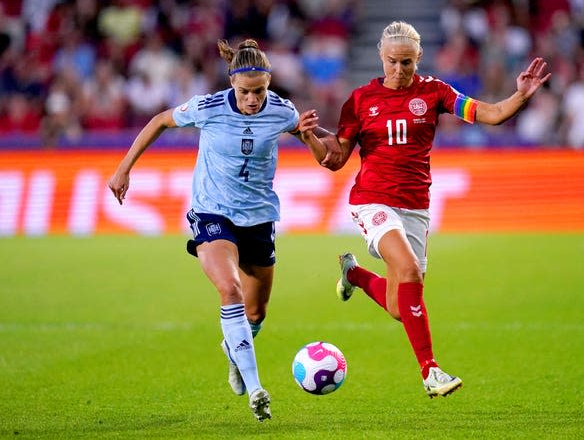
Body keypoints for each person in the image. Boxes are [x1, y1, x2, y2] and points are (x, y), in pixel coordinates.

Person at [108, 38, 337, 422]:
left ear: (269, 84)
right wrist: (124, 168)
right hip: (212, 211)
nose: (252, 99)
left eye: (259, 91)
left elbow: (322, 157)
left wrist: (310, 134)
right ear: (232, 85)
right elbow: (160, 120)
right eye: (245, 92)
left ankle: (233, 351)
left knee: (257, 311)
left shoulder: (282, 110)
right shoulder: (208, 107)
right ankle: (256, 386)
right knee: (227, 288)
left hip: (260, 218)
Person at [324, 21, 550, 398]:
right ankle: (430, 371)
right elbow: (339, 154)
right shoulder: (360, 100)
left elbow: (490, 114)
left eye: (407, 63)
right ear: (382, 56)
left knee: (400, 306)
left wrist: (520, 96)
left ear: (419, 59)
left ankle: (355, 275)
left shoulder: (435, 92)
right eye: (393, 62)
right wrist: (314, 140)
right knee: (409, 268)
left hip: (415, 207)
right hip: (372, 200)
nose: (399, 70)